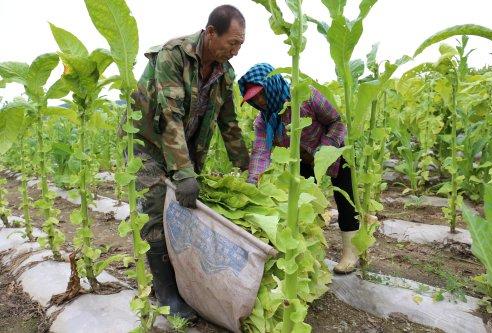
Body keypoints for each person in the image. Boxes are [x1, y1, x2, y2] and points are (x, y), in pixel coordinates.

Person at [131, 5, 250, 319]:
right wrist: (184, 174)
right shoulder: (173, 56)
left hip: (184, 147)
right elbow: (170, 117)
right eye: (232, 42)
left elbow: (229, 124)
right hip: (148, 143)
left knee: (183, 213)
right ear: (211, 32)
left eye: (241, 44)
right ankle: (166, 294)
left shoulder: (224, 73)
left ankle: (183, 283)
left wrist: (247, 169)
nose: (236, 50)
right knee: (156, 208)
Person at [239, 63, 360, 274]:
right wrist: (252, 186)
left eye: (260, 94)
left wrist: (324, 152)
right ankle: (309, 254)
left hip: (335, 150)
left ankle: (351, 252)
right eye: (252, 98)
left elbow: (337, 121)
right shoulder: (264, 121)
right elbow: (260, 153)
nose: (258, 101)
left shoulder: (306, 97)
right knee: (303, 203)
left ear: (272, 85)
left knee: (345, 199)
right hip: (303, 160)